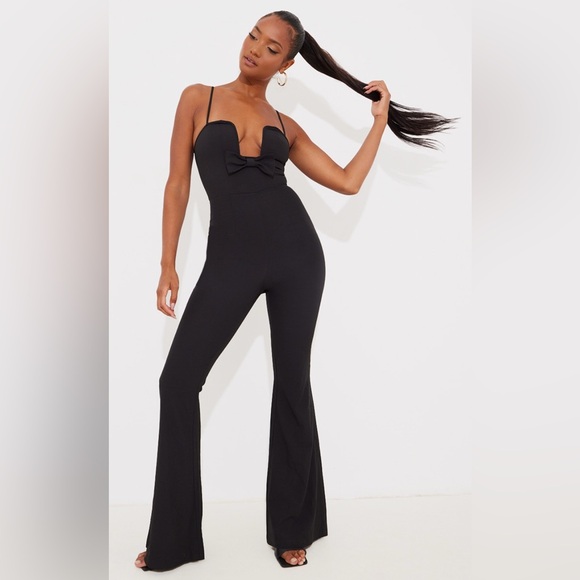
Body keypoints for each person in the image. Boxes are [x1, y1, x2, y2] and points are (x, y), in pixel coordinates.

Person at [134, 10, 455, 572]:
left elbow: (347, 182)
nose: (255, 48)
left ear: (285, 66)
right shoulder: (198, 98)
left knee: (291, 385)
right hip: (229, 262)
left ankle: (292, 530)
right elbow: (177, 183)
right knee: (177, 382)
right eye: (253, 35)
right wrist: (168, 263)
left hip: (297, 258)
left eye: (272, 47)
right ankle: (174, 540)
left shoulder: (286, 125)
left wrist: (379, 122)